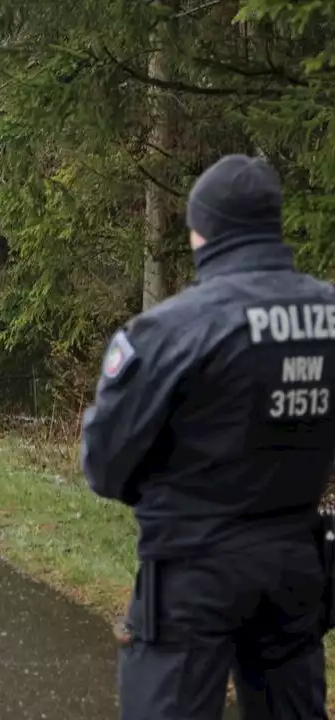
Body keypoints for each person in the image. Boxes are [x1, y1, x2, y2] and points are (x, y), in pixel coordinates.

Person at [81, 154, 335, 719]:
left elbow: (104, 464)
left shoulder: (172, 330)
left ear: (203, 231)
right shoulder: (327, 314)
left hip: (192, 569)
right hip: (295, 565)